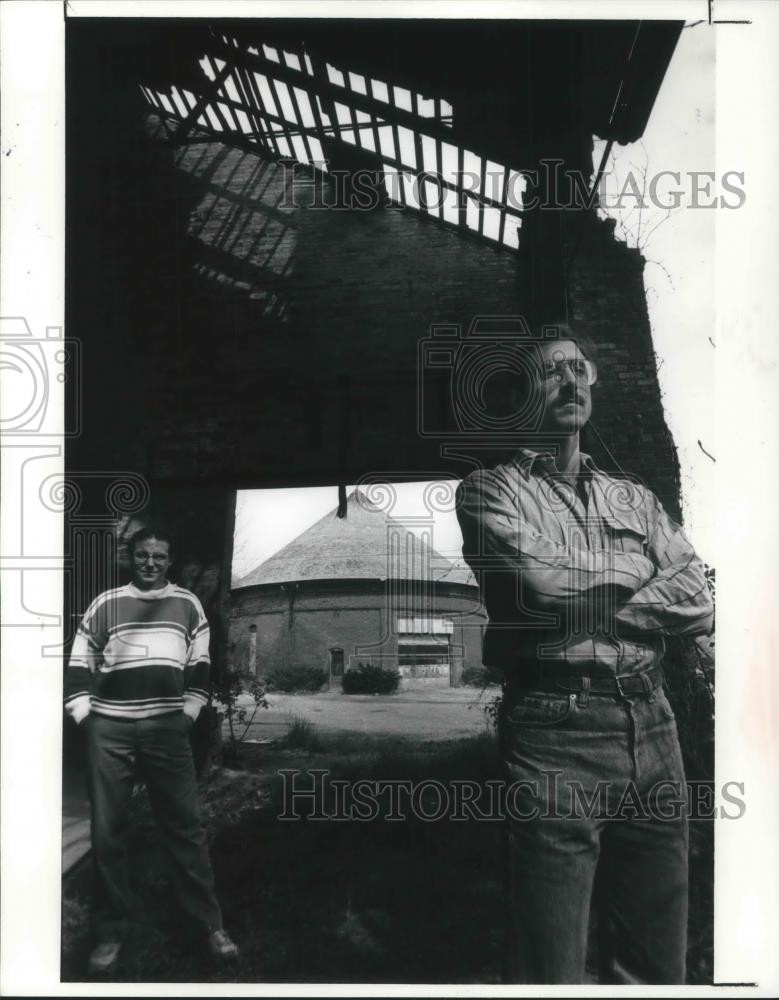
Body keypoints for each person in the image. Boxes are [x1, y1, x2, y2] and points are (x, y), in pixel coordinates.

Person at [455, 325, 714, 985]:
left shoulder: (634, 497)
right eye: (550, 373)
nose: (570, 382)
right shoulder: (489, 490)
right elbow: (546, 590)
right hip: (554, 731)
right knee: (550, 963)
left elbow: (697, 598)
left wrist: (594, 586)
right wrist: (636, 566)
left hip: (653, 724)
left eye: (578, 371)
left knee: (657, 962)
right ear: (523, 397)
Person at [64, 524, 239, 975]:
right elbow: (79, 662)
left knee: (185, 827)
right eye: (142, 555)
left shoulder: (187, 604)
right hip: (110, 731)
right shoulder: (105, 604)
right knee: (108, 833)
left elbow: (200, 664)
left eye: (158, 556)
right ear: (131, 557)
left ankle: (208, 926)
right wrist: (88, 718)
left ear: (170, 560)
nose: (150, 563)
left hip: (166, 730)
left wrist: (187, 713)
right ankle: (109, 931)